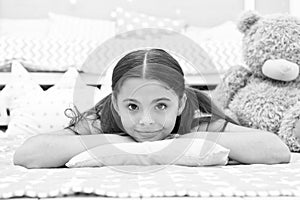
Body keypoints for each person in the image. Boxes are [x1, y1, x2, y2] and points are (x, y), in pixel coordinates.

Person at [13, 48, 291, 168]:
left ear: (180, 103)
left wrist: (190, 139)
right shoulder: (103, 118)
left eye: (161, 106)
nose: (146, 120)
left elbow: (276, 150)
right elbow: (28, 154)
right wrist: (113, 140)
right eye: (132, 106)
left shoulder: (195, 116)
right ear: (116, 105)